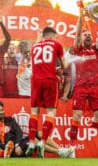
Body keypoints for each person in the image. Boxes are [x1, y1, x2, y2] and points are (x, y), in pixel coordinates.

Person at [67, 6, 98, 158]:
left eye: (89, 35)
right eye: (85, 34)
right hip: (80, 87)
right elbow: (78, 31)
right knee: (77, 118)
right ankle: (72, 150)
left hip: (94, 88)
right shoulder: (77, 50)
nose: (87, 36)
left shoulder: (96, 49)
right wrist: (80, 15)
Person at [26, 26, 66, 158]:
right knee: (50, 112)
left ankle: (31, 141)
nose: (56, 39)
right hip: (50, 80)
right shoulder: (57, 45)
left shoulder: (35, 47)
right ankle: (42, 142)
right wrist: (60, 70)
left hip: (36, 81)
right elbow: (64, 64)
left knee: (34, 112)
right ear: (51, 36)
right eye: (55, 36)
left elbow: (40, 63)